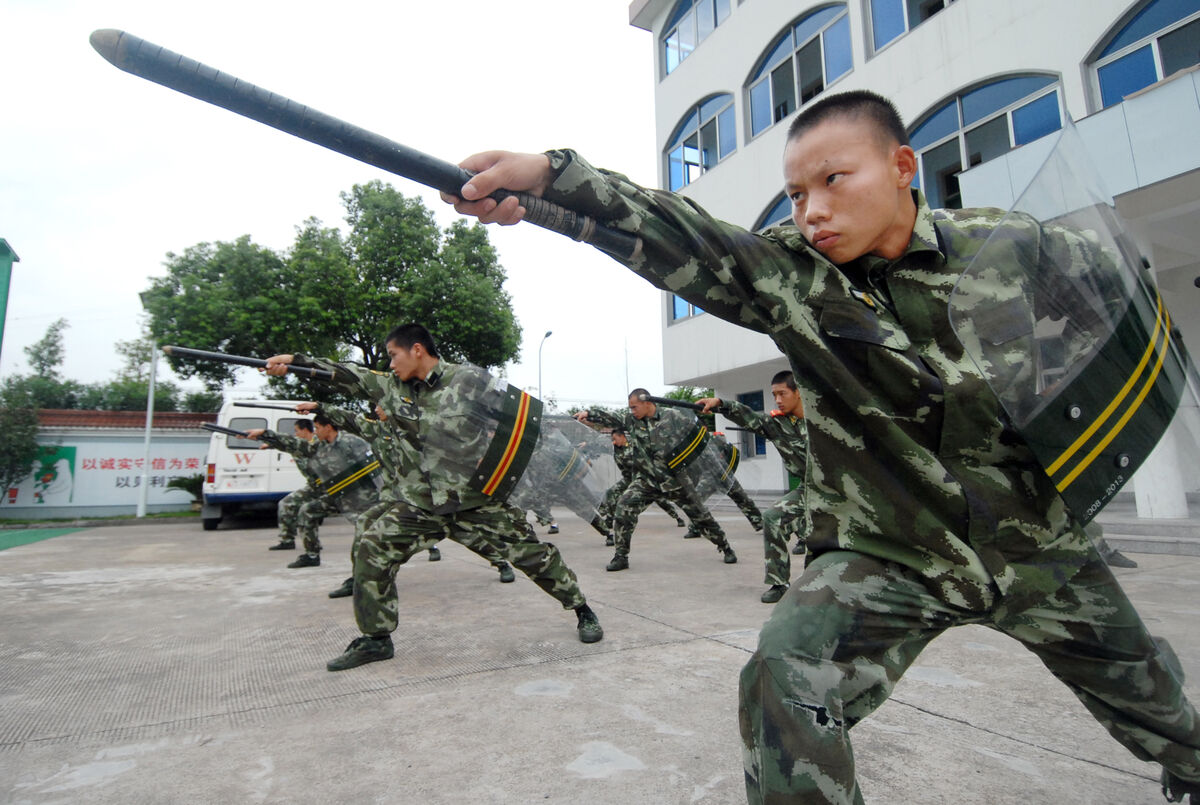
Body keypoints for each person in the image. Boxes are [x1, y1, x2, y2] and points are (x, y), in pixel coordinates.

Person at [444, 90, 1200, 803]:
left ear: (904, 167)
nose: (813, 211)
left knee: (1156, 700)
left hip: (1035, 538)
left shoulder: (1013, 247)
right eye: (798, 194)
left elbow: (1118, 305)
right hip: (891, 550)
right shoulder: (790, 277)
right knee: (786, 673)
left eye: (833, 180)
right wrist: (548, 187)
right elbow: (675, 231)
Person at [263, 323, 603, 672]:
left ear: (417, 350)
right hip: (421, 504)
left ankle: (581, 610)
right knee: (373, 547)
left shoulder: (468, 380)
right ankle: (376, 639)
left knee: (533, 557)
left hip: (475, 500)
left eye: (394, 355)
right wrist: (295, 363)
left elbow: (522, 418)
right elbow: (347, 374)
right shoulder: (390, 388)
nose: (390, 364)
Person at [306, 402, 517, 600]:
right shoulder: (379, 430)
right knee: (365, 524)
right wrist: (319, 406)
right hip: (396, 497)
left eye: (382, 404)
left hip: (431, 498)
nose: (377, 408)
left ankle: (501, 562)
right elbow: (349, 419)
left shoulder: (419, 429)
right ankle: (357, 579)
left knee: (465, 534)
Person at [578, 390, 737, 571]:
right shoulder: (631, 421)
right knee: (624, 507)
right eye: (630, 408)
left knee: (700, 515)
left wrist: (703, 415)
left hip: (676, 480)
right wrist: (589, 414)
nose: (632, 411)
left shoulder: (672, 416)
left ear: (647, 403)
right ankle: (621, 556)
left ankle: (725, 547)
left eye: (634, 407)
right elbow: (611, 417)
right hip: (646, 480)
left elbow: (697, 434)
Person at [698, 370, 810, 604]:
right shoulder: (778, 423)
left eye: (783, 393)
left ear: (798, 393)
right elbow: (750, 417)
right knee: (772, 517)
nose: (778, 399)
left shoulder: (821, 420)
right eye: (774, 394)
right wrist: (720, 403)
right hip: (809, 489)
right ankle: (779, 583)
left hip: (842, 491)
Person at [249, 414, 379, 569]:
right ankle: (312, 555)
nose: (315, 432)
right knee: (307, 510)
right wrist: (265, 434)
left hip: (363, 498)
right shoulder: (320, 445)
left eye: (317, 428)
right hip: (338, 494)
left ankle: (361, 577)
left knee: (365, 537)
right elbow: (299, 445)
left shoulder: (351, 442)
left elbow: (375, 465)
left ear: (328, 427)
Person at [595, 428, 687, 546]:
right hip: (628, 479)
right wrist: (586, 445)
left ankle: (677, 517)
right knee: (611, 493)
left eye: (615, 439)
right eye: (612, 439)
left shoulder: (634, 447)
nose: (613, 441)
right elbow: (600, 448)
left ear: (622, 436)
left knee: (661, 500)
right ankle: (608, 518)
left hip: (642, 479)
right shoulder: (615, 449)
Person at [258, 418, 320, 553]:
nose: (295, 433)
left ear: (304, 430)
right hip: (313, 486)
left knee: (308, 512)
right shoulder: (297, 444)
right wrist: (269, 445)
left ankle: (312, 545)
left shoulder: (318, 443)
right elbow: (286, 443)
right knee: (286, 504)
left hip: (327, 486)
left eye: (297, 431)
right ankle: (287, 540)